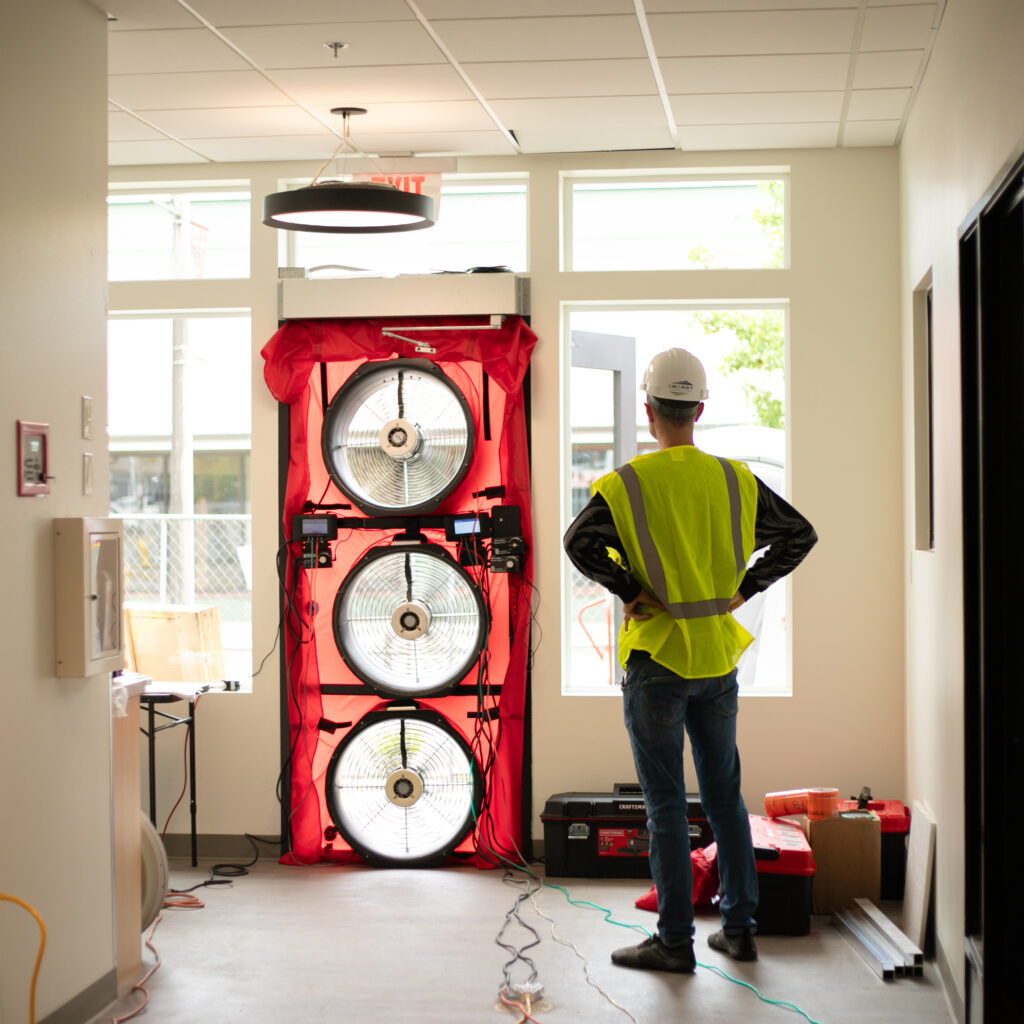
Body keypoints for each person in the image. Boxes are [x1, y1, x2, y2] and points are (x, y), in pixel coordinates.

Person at [563, 347, 817, 974]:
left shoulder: (624, 485)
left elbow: (579, 541)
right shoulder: (734, 479)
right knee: (726, 799)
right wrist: (747, 588)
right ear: (699, 409)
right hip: (716, 659)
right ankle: (739, 929)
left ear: (649, 411)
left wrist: (630, 590)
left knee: (666, 805)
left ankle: (675, 940)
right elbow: (798, 534)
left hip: (657, 663)